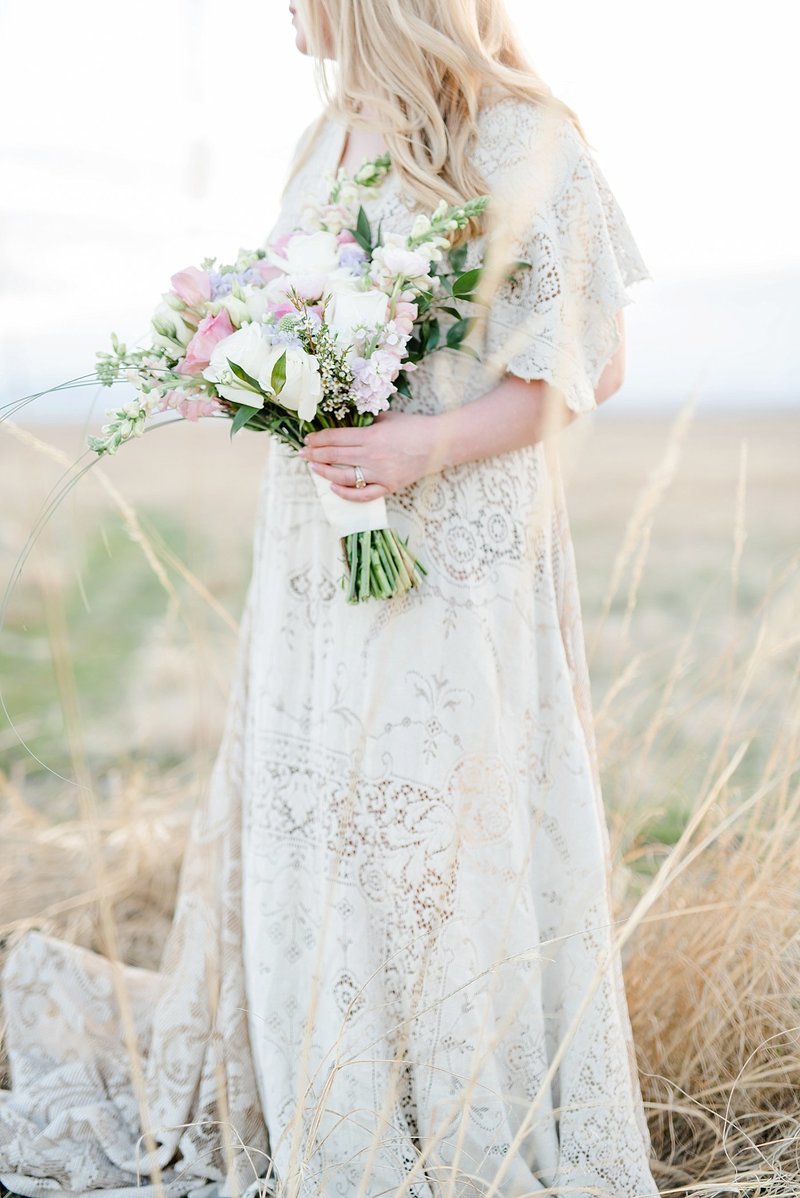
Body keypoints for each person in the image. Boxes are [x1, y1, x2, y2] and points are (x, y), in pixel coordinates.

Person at [0, 1, 659, 1195]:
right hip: (318, 547)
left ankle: (443, 1107)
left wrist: (422, 445)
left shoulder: (521, 134)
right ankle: (324, 1085)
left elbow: (589, 364)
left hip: (453, 554)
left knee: (427, 832)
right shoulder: (327, 133)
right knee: (323, 819)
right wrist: (244, 369)